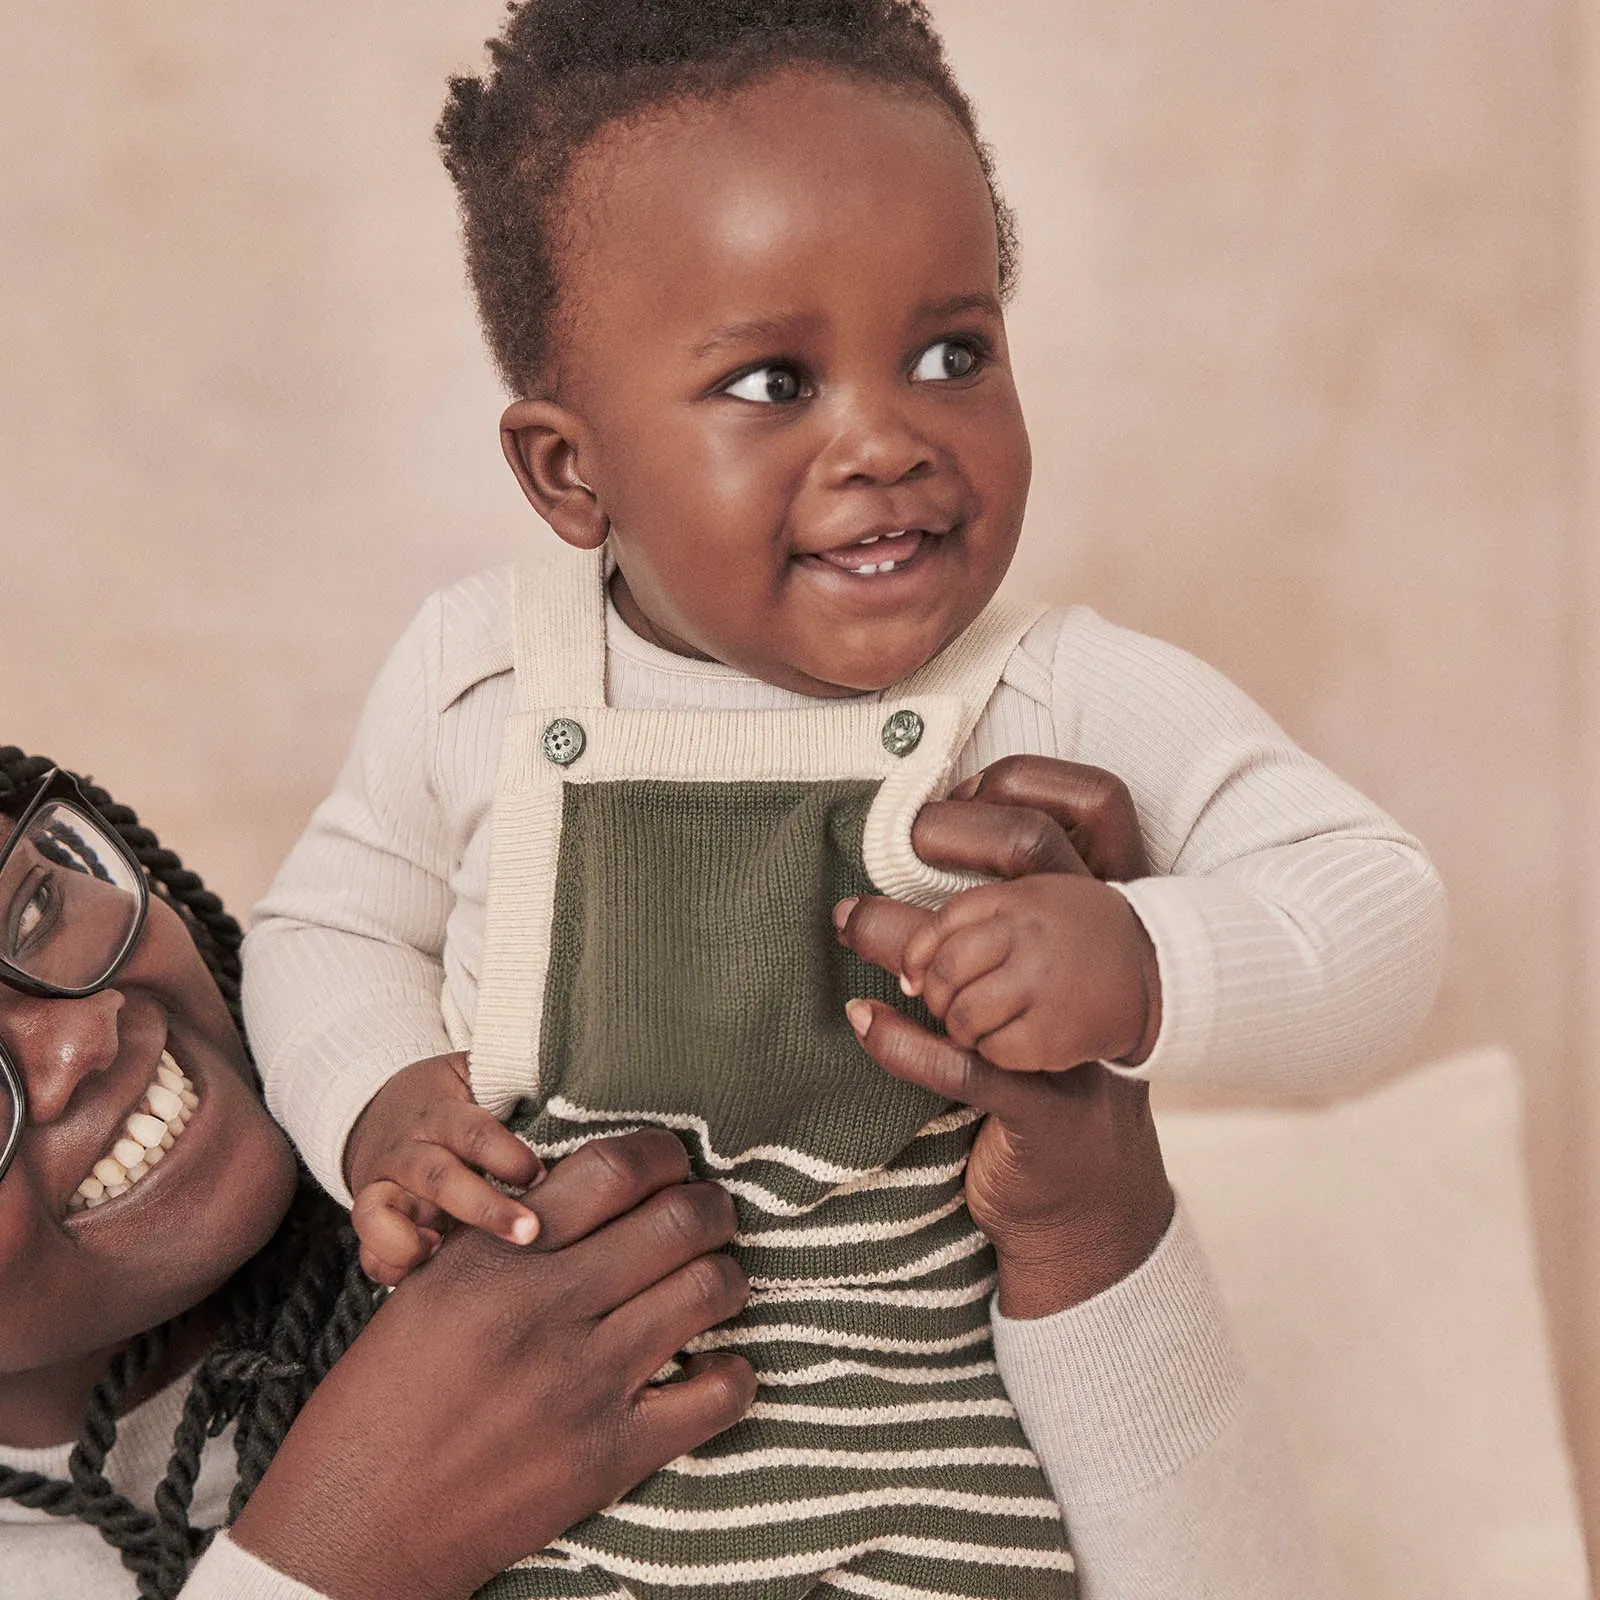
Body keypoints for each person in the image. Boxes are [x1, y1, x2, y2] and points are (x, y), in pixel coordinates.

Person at [243, 1, 1445, 1594]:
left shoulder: (1048, 690)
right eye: (772, 381)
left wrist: (1145, 956)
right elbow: (325, 922)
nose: (888, 438)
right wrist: (385, 1103)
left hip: (940, 1527)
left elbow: (1378, 908)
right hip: (554, 1520)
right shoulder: (485, 674)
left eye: (954, 352)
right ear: (566, 471)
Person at [0, 745, 1330, 1600]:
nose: (76, 1036)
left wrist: (1090, 1233)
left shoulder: (485, 1097)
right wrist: (337, 1556)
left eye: (32, 908)